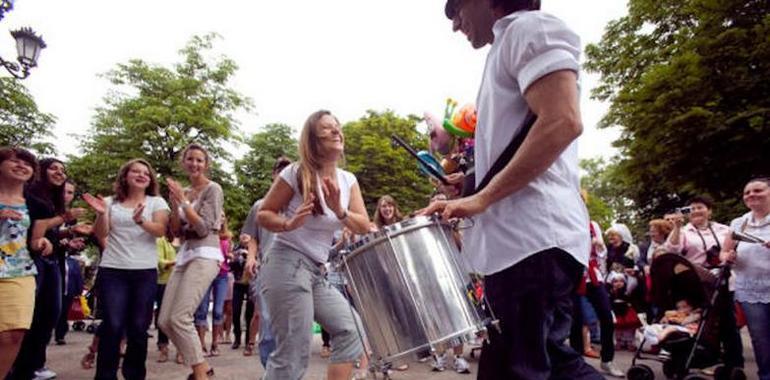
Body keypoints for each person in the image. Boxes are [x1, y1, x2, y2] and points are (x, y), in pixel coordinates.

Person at [426, 0, 602, 378]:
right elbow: (521, 143)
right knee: (524, 366)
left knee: (526, 368)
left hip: (531, 242)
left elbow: (562, 120)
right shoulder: (507, 45)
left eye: (456, 9)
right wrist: (468, 188)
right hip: (521, 247)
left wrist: (482, 198)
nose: (456, 25)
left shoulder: (529, 29)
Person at [257, 110, 370, 380]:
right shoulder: (296, 172)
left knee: (351, 330)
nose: (336, 131)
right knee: (292, 354)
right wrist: (288, 223)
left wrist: (340, 211)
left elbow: (363, 225)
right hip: (287, 263)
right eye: (327, 129)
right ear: (313, 140)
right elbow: (264, 213)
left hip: (317, 272)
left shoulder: (348, 180)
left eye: (337, 126)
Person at [82, 158, 170, 380]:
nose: (141, 175)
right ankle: (105, 375)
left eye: (146, 173)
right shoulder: (110, 202)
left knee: (139, 328)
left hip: (144, 271)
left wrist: (141, 221)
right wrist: (101, 214)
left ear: (150, 180)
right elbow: (100, 233)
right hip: (113, 269)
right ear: (125, 176)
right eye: (136, 172)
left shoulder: (156, 202)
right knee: (113, 324)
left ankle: (134, 374)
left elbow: (160, 230)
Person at [11, 157, 84, 380]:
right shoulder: (29, 194)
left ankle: (32, 365)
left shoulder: (52, 200)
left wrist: (68, 235)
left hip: (51, 259)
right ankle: (18, 367)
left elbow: (47, 232)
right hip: (30, 260)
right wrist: (64, 218)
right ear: (41, 170)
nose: (59, 173)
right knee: (30, 315)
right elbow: (36, 228)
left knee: (50, 313)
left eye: (63, 170)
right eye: (54, 168)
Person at [158, 144, 224, 380]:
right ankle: (203, 366)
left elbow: (204, 227)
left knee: (180, 317)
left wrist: (184, 202)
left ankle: (200, 373)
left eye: (200, 160)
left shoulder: (213, 189)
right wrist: (175, 203)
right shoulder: (181, 191)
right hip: (185, 254)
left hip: (206, 254)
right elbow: (175, 231)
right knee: (165, 320)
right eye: (190, 159)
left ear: (206, 164)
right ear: (183, 162)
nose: (195, 164)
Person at [667, 195, 744, 371]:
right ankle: (699, 358)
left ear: (709, 210)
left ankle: (734, 364)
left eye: (700, 207)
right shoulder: (684, 231)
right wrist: (677, 228)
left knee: (728, 322)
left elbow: (736, 248)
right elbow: (672, 250)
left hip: (723, 280)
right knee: (698, 321)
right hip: (696, 282)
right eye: (691, 209)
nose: (696, 211)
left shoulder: (724, 229)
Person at [0, 147, 48, 379]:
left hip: (19, 270)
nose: (21, 166)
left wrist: (43, 243)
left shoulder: (36, 204)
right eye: (14, 161)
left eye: (28, 163)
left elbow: (37, 237)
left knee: (14, 333)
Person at [241, 156, 292, 368]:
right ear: (273, 176)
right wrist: (251, 257)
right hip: (266, 271)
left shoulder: (298, 205)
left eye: (287, 172)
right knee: (269, 325)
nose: (282, 176)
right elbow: (252, 235)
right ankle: (269, 372)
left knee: (290, 329)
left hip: (293, 272)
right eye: (278, 172)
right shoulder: (260, 205)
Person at [721, 177, 770, 380]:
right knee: (760, 339)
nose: (751, 195)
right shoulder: (739, 223)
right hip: (751, 289)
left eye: (757, 190)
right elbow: (724, 252)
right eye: (747, 192)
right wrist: (728, 256)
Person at [54, 180, 88, 345]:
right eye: (63, 191)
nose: (66, 196)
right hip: (42, 261)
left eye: (70, 193)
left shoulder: (72, 217)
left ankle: (60, 332)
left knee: (66, 296)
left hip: (63, 262)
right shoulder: (45, 208)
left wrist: (73, 245)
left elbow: (69, 242)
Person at [193, 214, 231, 358]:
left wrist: (229, 257)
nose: (220, 218)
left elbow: (227, 257)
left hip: (221, 276)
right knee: (202, 310)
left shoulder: (226, 238)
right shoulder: (206, 235)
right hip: (207, 274)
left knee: (218, 311)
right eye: (218, 216)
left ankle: (215, 343)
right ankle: (201, 344)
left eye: (222, 217)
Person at [229, 233, 254, 352]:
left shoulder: (255, 250)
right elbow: (231, 266)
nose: (244, 237)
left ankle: (249, 340)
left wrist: (249, 256)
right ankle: (237, 338)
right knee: (236, 311)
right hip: (238, 283)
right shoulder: (236, 250)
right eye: (242, 235)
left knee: (249, 313)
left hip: (251, 284)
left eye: (247, 235)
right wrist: (235, 258)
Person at [154, 231, 176, 363]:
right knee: (163, 315)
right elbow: (159, 261)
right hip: (165, 282)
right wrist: (175, 262)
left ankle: (181, 350)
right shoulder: (161, 239)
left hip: (185, 281)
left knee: (181, 316)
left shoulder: (188, 239)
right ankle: (163, 347)